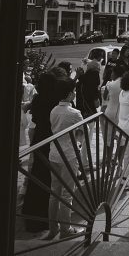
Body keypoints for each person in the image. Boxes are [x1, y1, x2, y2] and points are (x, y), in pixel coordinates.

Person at [22, 67, 65, 232]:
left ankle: (33, 213)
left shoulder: (38, 99)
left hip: (39, 137)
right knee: (48, 177)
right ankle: (46, 217)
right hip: (50, 139)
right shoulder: (54, 100)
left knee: (37, 174)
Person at [46, 75, 84, 239]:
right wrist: (80, 145)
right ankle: (65, 229)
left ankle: (53, 228)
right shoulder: (74, 113)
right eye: (74, 91)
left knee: (54, 192)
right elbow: (82, 133)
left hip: (54, 153)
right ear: (69, 94)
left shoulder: (54, 110)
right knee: (67, 194)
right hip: (69, 154)